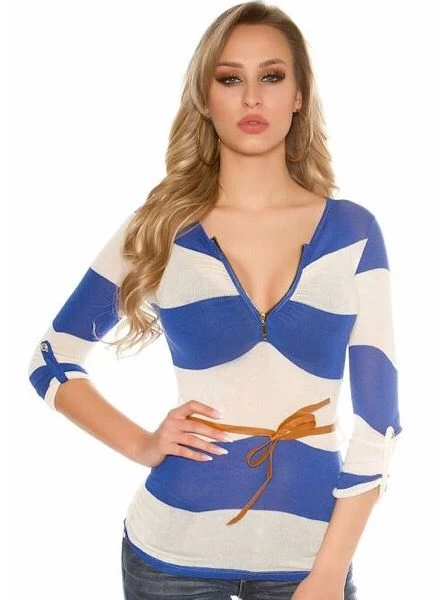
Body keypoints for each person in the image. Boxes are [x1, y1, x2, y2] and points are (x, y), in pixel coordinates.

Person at [27, 2, 403, 599]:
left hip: (309, 562)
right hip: (168, 558)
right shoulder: (160, 228)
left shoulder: (353, 232)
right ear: (205, 98)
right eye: (230, 79)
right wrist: (142, 443)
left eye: (271, 76)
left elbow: (379, 423)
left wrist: (330, 571)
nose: (252, 97)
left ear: (299, 95)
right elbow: (51, 359)